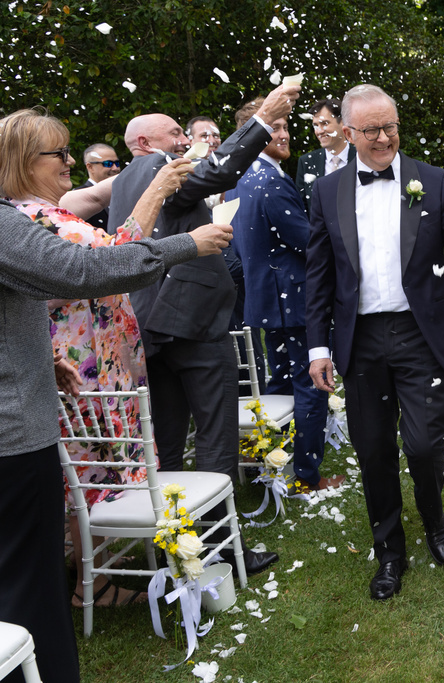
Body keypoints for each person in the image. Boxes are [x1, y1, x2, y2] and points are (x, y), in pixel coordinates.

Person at [0, 185, 232, 683]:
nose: (68, 164)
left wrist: (41, 357)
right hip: (12, 437)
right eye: (56, 152)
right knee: (29, 585)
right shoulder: (11, 220)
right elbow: (83, 270)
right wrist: (185, 244)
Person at [305, 84, 444, 601]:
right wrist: (318, 348)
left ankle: (433, 514)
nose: (386, 137)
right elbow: (318, 276)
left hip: (420, 334)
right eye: (372, 130)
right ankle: (389, 550)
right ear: (347, 134)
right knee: (372, 450)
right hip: (359, 338)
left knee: (423, 443)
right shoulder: (326, 193)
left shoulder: (431, 182)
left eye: (391, 126)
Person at [1, 108, 195, 608]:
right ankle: (87, 582)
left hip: (92, 358)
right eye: (59, 154)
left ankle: (92, 566)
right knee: (87, 469)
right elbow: (110, 261)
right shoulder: (31, 220)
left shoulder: (49, 210)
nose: (70, 161)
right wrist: (164, 204)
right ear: (23, 161)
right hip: (82, 366)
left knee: (98, 465)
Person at [108, 82, 300, 576]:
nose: (183, 139)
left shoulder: (123, 183)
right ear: (144, 145)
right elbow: (218, 171)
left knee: (169, 442)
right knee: (217, 435)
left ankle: (176, 548)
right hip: (191, 322)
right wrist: (265, 119)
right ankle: (222, 550)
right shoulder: (156, 171)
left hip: (152, 325)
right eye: (173, 133)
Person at [227, 98, 336, 492]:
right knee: (310, 385)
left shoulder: (238, 179)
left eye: (286, 125)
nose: (284, 133)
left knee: (279, 384)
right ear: (253, 135)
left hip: (266, 299)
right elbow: (307, 240)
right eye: (274, 127)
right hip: (292, 300)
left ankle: (268, 463)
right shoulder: (270, 180)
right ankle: (306, 477)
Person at [295, 98, 355, 211]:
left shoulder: (361, 157)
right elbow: (302, 208)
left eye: (325, 123)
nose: (319, 131)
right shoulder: (307, 162)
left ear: (343, 122)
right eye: (316, 125)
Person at [73, 142, 120, 233]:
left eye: (117, 163)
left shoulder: (122, 193)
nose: (115, 168)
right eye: (108, 163)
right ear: (90, 167)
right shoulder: (79, 195)